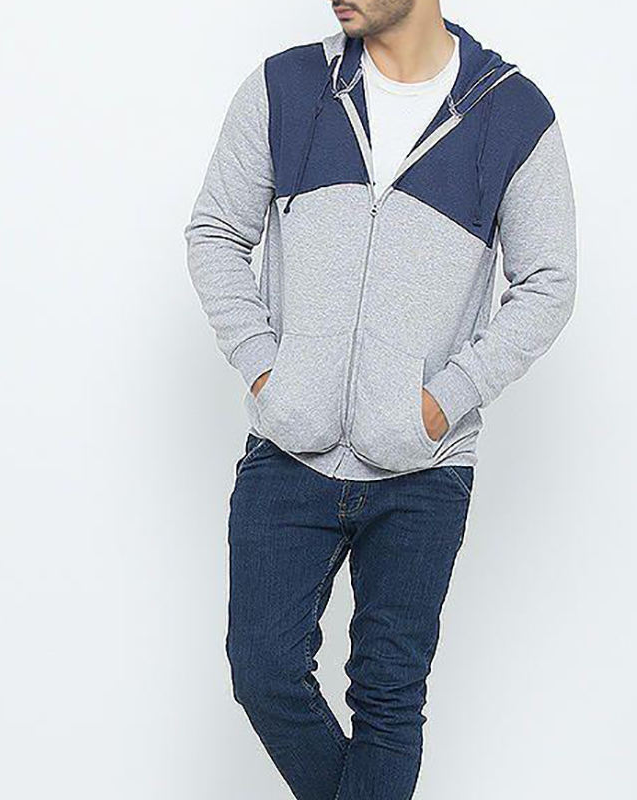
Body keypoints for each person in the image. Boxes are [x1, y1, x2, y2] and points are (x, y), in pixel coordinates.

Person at [183, 0, 576, 797]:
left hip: (425, 470)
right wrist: (266, 370)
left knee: (390, 698)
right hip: (289, 448)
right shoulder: (287, 87)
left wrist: (445, 399)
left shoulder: (512, 113)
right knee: (262, 670)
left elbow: (548, 284)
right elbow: (215, 232)